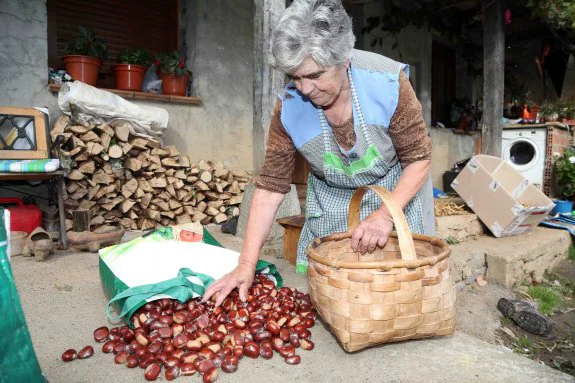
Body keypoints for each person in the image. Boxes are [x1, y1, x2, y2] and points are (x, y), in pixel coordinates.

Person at [202, 0, 434, 306]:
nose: (305, 89)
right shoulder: (288, 107)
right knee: (337, 299)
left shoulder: (388, 84)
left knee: (393, 296)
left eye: (315, 76)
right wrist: (246, 265)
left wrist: (383, 216)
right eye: (295, 77)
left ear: (344, 60)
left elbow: (418, 159)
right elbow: (271, 188)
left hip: (392, 193)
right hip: (332, 204)